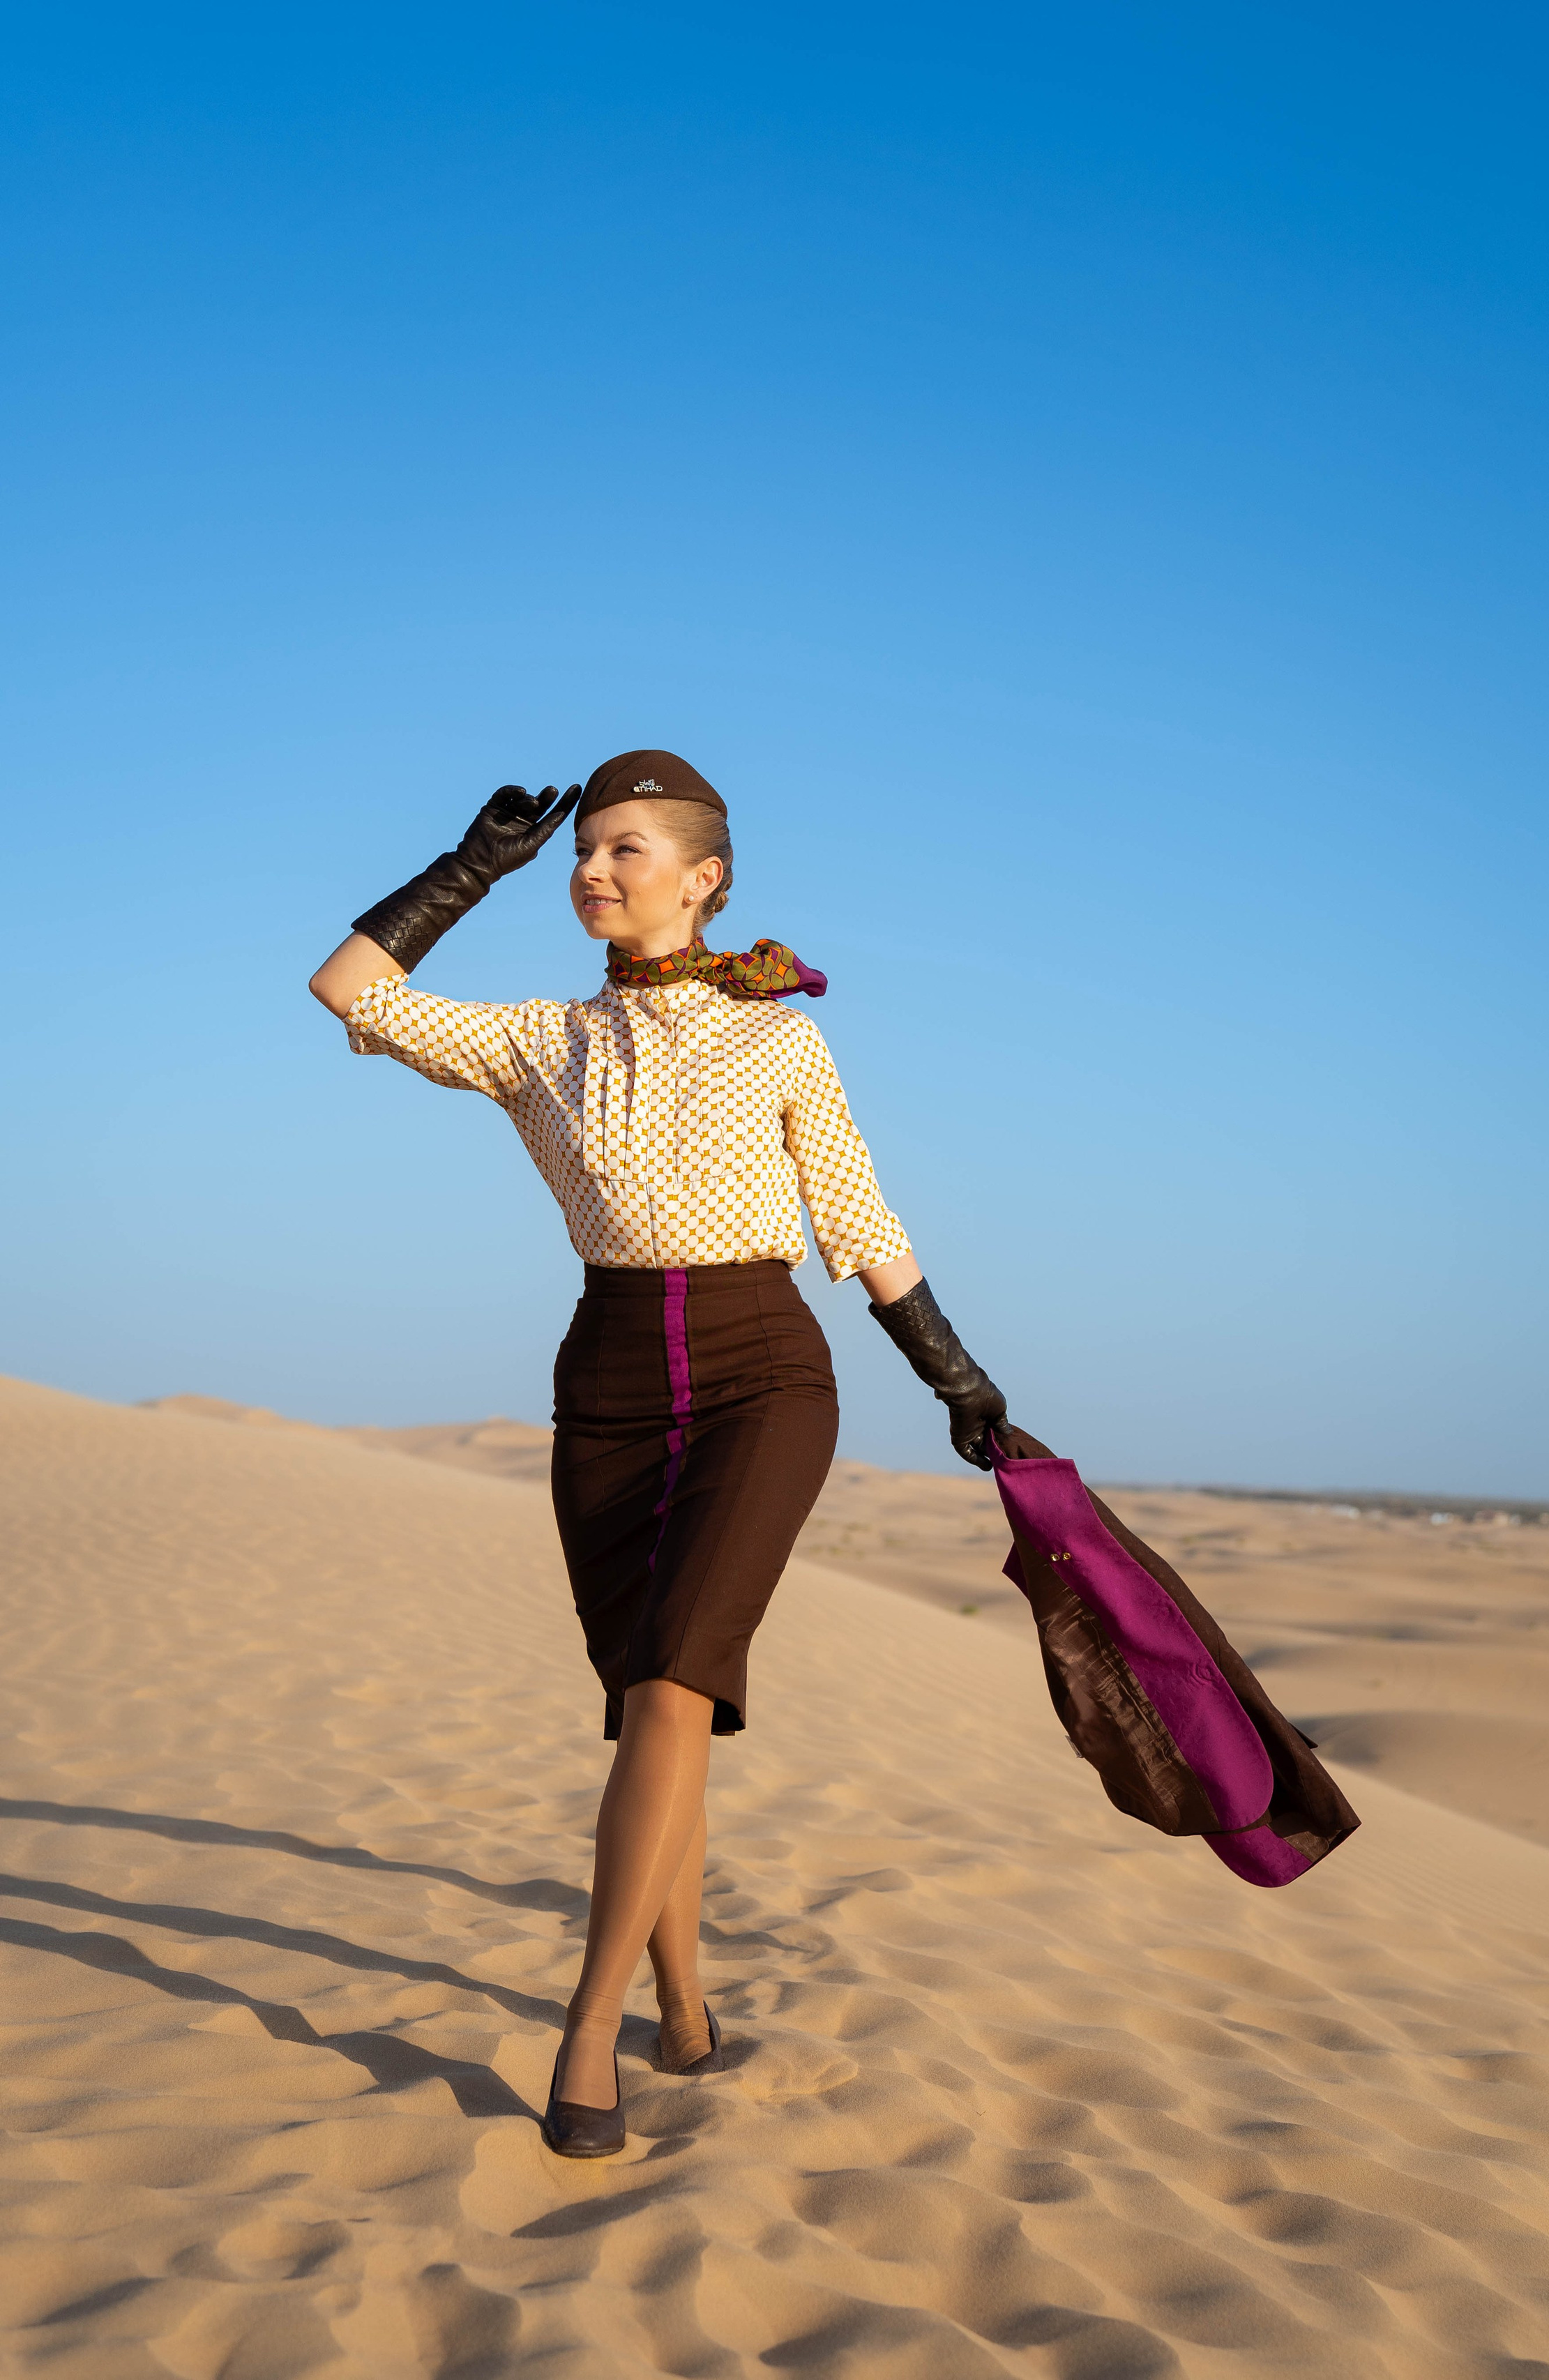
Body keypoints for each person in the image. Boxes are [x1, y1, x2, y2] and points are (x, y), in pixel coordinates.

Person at [309, 749, 1007, 2156]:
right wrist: (466, 871)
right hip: (610, 1381)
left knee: (679, 1678)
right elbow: (350, 993)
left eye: (629, 850)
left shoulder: (782, 1040)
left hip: (764, 1375)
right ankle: (685, 2004)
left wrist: (955, 1377)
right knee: (647, 1707)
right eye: (588, 850)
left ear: (706, 881)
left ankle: (586, 2030)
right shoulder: (534, 1040)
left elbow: (860, 1225)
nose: (594, 868)